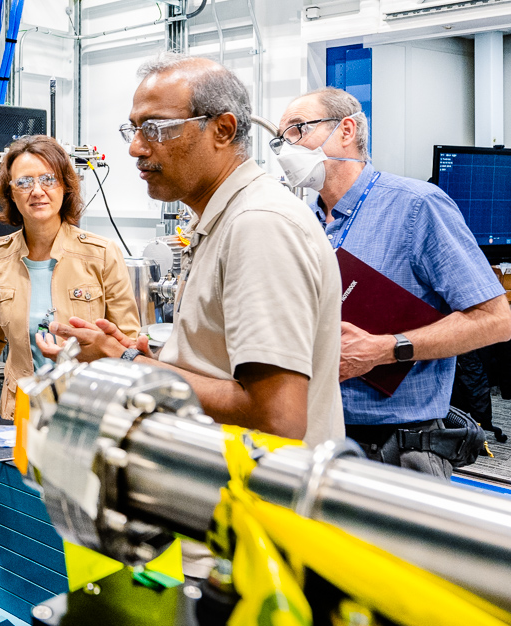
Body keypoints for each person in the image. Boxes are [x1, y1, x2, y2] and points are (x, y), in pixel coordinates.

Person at [275, 87, 511, 626]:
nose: (286, 142)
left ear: (347, 130)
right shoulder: (306, 224)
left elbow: (493, 319)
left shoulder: (416, 206)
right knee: (344, 612)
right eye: (281, 132)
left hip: (403, 444)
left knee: (424, 616)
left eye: (299, 127)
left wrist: (388, 348)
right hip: (327, 442)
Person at [46, 57, 342, 445]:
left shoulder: (258, 224)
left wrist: (127, 364)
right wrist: (146, 358)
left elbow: (277, 418)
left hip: (258, 497)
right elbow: (218, 367)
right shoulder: (220, 220)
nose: (136, 147)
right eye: (134, 129)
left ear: (222, 129)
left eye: (155, 128)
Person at [0, 135, 140, 431]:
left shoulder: (100, 255)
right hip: (19, 413)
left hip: (87, 413)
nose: (37, 191)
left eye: (48, 179)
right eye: (24, 182)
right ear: (11, 193)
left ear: (65, 186)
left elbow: (127, 343)